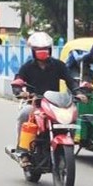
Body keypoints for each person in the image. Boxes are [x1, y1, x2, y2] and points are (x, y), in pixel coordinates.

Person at [12, 31, 87, 167]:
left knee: (72, 114)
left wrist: (78, 92)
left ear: (50, 50)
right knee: (24, 114)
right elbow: (18, 80)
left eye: (45, 49)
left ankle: (68, 144)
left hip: (55, 104)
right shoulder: (27, 67)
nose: (43, 52)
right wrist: (19, 91)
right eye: (39, 50)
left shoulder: (58, 65)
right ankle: (23, 152)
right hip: (36, 104)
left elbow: (70, 81)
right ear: (33, 51)